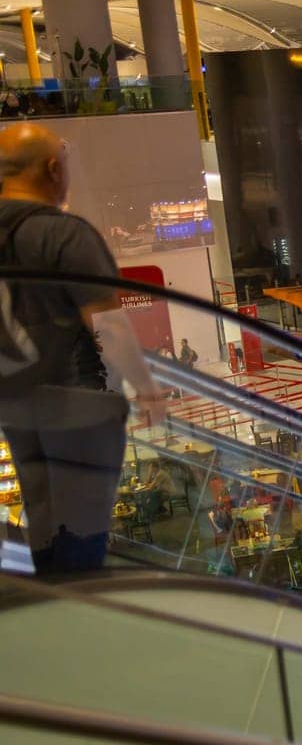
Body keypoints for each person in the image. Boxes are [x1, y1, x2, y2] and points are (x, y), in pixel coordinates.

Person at [0, 123, 165, 575]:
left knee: (44, 519)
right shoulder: (65, 235)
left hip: (15, 401)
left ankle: (54, 611)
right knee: (83, 528)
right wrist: (147, 389)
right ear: (54, 170)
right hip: (76, 399)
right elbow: (109, 327)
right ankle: (81, 612)